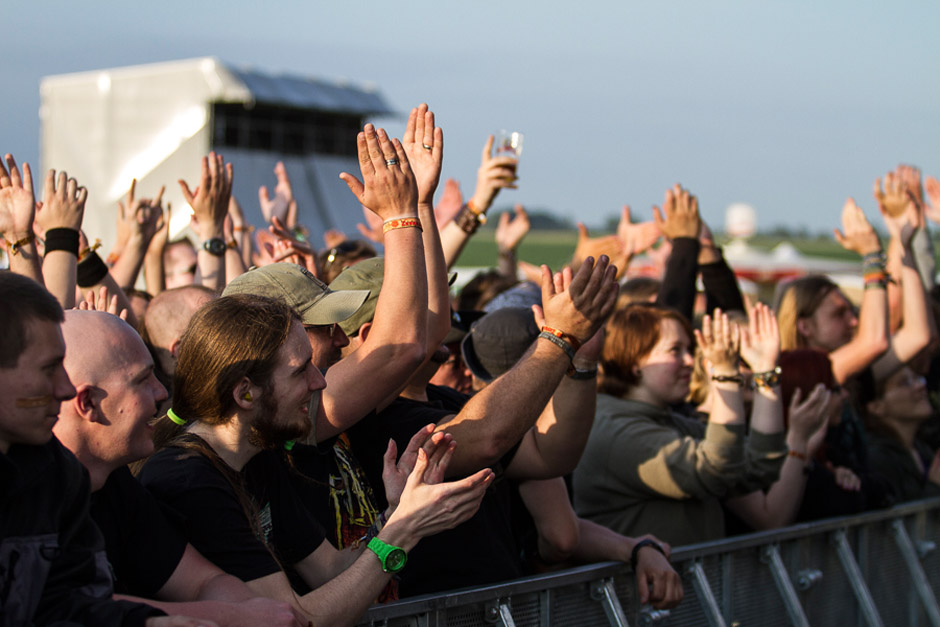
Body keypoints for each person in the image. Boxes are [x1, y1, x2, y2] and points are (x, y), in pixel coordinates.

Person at [141, 294, 492, 626]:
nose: (319, 381)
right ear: (245, 393)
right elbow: (299, 617)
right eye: (300, 370)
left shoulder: (257, 457)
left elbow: (332, 569)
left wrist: (396, 513)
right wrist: (404, 532)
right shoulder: (189, 480)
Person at [53, 310, 304, 627]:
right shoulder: (23, 493)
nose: (161, 393)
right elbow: (71, 603)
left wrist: (253, 611)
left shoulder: (114, 484)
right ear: (87, 402)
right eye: (143, 380)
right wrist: (237, 617)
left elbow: (202, 582)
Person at [0, 271, 173, 626]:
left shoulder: (56, 474)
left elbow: (66, 603)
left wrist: (146, 623)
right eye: (49, 369)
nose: (66, 390)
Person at [573, 304, 789, 545]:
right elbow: (715, 470)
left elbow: (758, 466)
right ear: (635, 361)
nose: (689, 361)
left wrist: (765, 370)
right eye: (675, 350)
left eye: (689, 349)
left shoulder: (669, 421)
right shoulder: (613, 430)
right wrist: (726, 375)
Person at [863, 366, 940, 503]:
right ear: (876, 407)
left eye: (917, 378)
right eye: (904, 383)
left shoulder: (922, 449)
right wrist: (934, 487)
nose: (920, 386)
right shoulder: (878, 457)